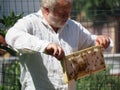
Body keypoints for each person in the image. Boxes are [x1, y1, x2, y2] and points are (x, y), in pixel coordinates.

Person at [5, 0, 113, 90]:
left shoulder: (74, 27)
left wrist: (102, 41)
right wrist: (45, 46)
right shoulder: (30, 22)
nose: (67, 17)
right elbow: (12, 35)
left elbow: (91, 43)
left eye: (68, 12)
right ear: (46, 10)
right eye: (62, 13)